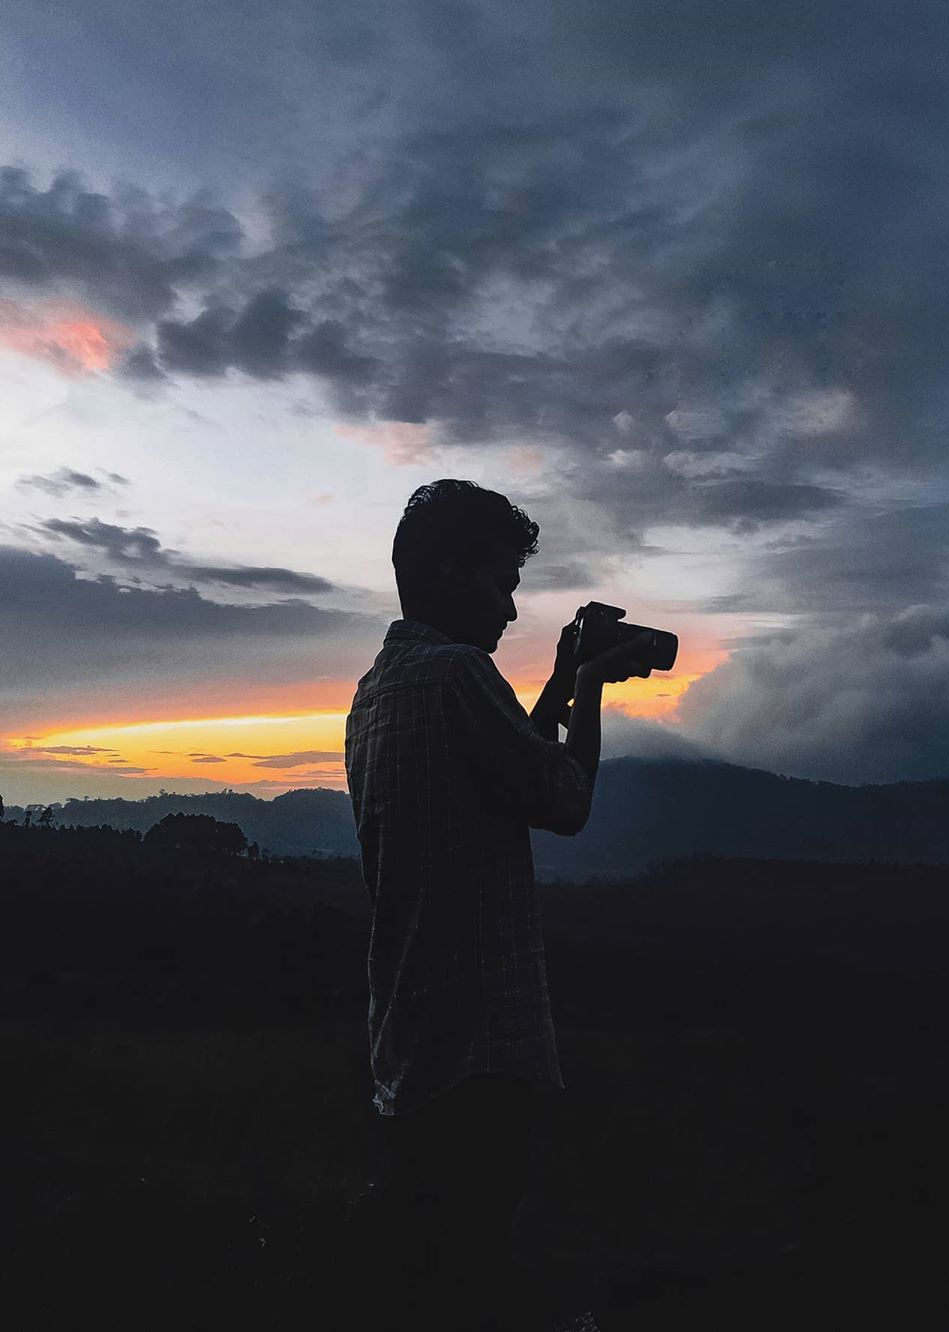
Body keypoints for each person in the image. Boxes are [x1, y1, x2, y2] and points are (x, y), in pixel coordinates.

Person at [344, 479, 652, 1331]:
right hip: (481, 1036)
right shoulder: (457, 674)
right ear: (452, 573)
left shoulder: (380, 689)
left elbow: (507, 767)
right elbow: (564, 801)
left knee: (434, 1261)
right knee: (473, 1271)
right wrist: (591, 688)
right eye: (503, 582)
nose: (512, 609)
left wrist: (554, 683)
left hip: (412, 1032)